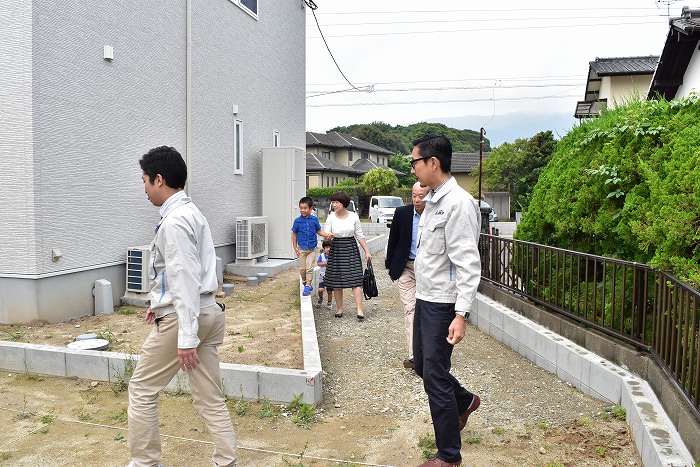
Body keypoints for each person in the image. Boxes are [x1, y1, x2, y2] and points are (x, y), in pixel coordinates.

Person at [127, 146, 237, 467]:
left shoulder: (174, 221)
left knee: (142, 389)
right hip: (208, 311)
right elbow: (190, 271)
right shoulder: (193, 212)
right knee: (210, 398)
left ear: (159, 180)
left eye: (145, 181)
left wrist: (186, 337)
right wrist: (157, 303)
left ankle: (145, 463)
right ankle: (226, 462)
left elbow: (184, 276)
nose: (144, 189)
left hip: (186, 318)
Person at [410, 135, 482, 467]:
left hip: (444, 304)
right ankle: (465, 400)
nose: (413, 169)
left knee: (436, 376)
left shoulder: (458, 203)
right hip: (425, 298)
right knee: (423, 365)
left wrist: (461, 313)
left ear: (433, 163)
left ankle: (449, 456)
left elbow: (468, 264)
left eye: (415, 162)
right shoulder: (434, 199)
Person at [385, 181, 430, 370]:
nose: (417, 200)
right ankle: (414, 355)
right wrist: (390, 266)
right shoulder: (402, 213)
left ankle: (429, 352)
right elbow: (393, 239)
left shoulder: (435, 214)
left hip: (428, 268)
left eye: (421, 196)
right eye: (414, 195)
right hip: (406, 267)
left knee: (427, 309)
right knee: (410, 308)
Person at [323, 191, 372, 320]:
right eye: (333, 202)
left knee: (356, 279)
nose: (334, 205)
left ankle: (360, 310)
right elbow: (326, 235)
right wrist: (326, 237)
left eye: (336, 202)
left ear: (343, 203)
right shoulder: (330, 217)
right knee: (336, 281)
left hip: (350, 248)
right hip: (336, 249)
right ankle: (339, 309)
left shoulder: (354, 216)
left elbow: (360, 235)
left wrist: (367, 251)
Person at [291, 196, 333, 296]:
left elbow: (318, 231)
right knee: (302, 269)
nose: (303, 210)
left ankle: (308, 286)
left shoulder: (314, 220)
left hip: (312, 249)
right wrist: (295, 247)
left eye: (305, 208)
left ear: (310, 209)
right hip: (302, 249)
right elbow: (294, 234)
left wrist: (327, 235)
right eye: (301, 208)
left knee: (309, 267)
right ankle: (306, 282)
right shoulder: (297, 221)